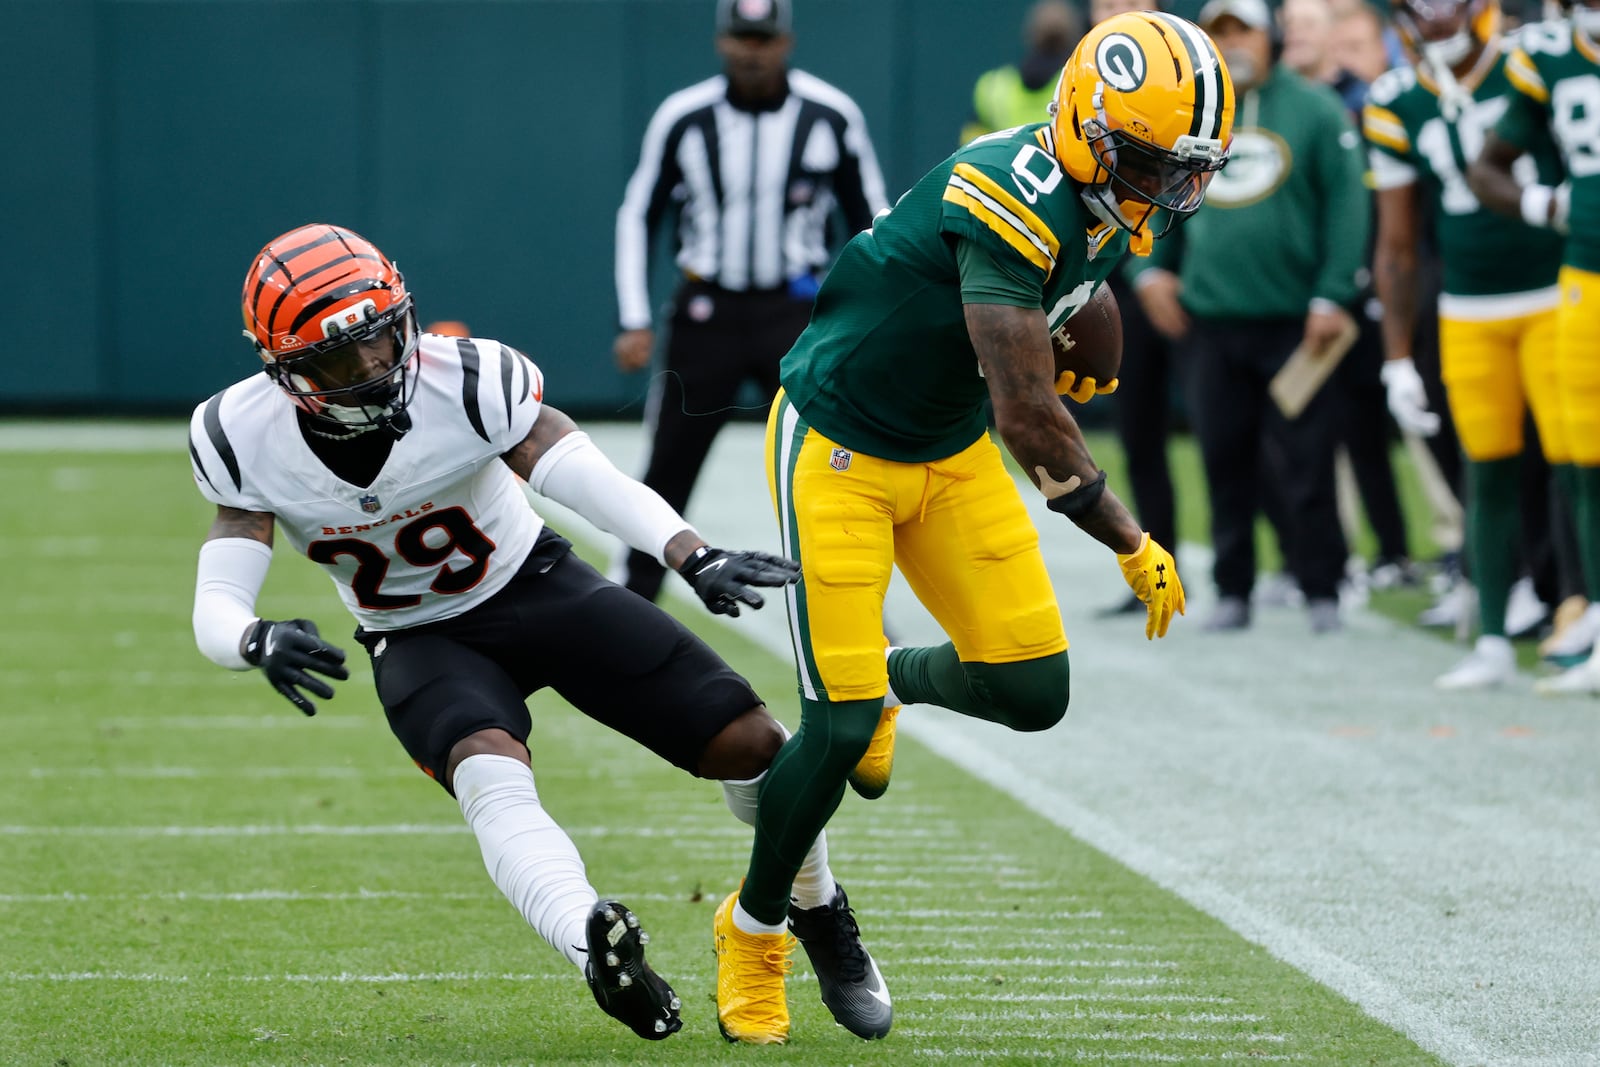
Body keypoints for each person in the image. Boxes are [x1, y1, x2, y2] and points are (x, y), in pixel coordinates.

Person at [188, 224, 886, 1043]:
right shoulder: (240, 434)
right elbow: (218, 591)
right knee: (489, 774)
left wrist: (689, 553)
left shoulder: (469, 377)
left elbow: (575, 470)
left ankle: (815, 905)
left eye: (384, 340)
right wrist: (253, 639)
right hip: (416, 635)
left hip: (539, 584)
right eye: (344, 363)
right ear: (286, 371)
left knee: (755, 745)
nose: (376, 369)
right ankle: (593, 944)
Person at [712, 12, 1228, 1044]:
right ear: (1084, 125)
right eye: (1146, 164)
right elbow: (1027, 412)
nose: (1161, 192)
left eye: (1182, 171)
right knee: (839, 728)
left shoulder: (1097, 192)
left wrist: (1092, 318)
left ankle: (891, 676)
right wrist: (1128, 536)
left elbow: (1076, 282)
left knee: (1032, 686)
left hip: (942, 449)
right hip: (840, 444)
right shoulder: (1009, 194)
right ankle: (758, 925)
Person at [613, 0, 888, 604]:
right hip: (706, 314)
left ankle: (850, 599)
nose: (751, 51)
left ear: (786, 42)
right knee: (667, 469)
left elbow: (873, 223)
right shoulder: (684, 116)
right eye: (741, 38)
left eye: (762, 39)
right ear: (721, 42)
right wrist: (632, 315)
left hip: (794, 314)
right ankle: (630, 603)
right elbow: (640, 213)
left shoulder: (830, 114)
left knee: (828, 465)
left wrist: (877, 315)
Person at [1134, 0, 1370, 634]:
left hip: (1297, 322)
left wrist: (1331, 294)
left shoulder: (1316, 109)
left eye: (1244, 31)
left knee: (1306, 460)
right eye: (1221, 32)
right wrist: (1150, 270)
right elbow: (1158, 195)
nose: (1234, 43)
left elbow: (1348, 207)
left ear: (1270, 38)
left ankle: (1322, 585)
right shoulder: (1196, 113)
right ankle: (1232, 587)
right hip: (1210, 320)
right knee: (1222, 456)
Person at [1365, 0, 1567, 686]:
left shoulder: (1535, 60)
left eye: (1447, 11)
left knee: (1576, 458)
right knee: (1485, 468)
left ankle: (1572, 605)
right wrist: (1396, 356)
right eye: (1422, 14)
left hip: (1557, 286)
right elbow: (1395, 246)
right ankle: (1494, 632)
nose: (1434, 25)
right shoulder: (1394, 99)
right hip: (1467, 303)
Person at [1468, 0, 1600, 691]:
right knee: (1587, 457)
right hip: (1583, 273)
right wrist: (1545, 205)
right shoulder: (1548, 56)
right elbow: (1488, 165)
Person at [959, 0, 1084, 143]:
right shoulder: (1077, 84)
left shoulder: (993, 86)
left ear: (1030, 34)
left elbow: (972, 145)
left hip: (1006, 163)